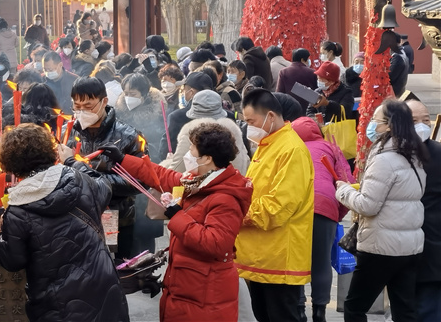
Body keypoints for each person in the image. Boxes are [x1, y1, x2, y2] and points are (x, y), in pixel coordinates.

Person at [110, 122, 252, 321]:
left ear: (207, 158)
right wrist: (122, 159)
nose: (188, 153)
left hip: (205, 293)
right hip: (189, 286)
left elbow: (215, 244)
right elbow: (161, 175)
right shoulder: (197, 181)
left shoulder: (225, 198)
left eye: (192, 148)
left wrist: (177, 216)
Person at [0, 123, 129, 322]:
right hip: (103, 289)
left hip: (57, 305)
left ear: (10, 163)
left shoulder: (17, 209)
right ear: (49, 151)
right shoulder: (80, 180)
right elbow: (104, 186)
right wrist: (72, 161)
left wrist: (1, 235)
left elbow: (13, 261)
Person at [336, 99, 426, 322]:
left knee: (354, 307)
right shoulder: (415, 155)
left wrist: (344, 191)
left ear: (389, 125)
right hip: (409, 247)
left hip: (381, 248)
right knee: (405, 310)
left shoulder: (384, 159)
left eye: (375, 121)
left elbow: (368, 205)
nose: (371, 125)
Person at [238, 89, 315, 322]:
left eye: (251, 121)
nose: (248, 128)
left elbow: (278, 206)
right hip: (261, 254)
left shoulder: (291, 149)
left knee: (282, 316)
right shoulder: (268, 144)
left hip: (279, 257)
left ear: (270, 116)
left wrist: (236, 213)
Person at [64, 77, 145, 259]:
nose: (82, 111)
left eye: (89, 106)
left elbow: (140, 182)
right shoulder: (66, 132)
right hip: (74, 218)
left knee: (117, 269)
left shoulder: (128, 135)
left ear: (104, 101)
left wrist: (93, 179)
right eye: (77, 106)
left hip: (117, 217)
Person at [291, 116, 353, 322]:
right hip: (325, 205)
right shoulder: (331, 147)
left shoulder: (289, 148)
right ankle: (320, 312)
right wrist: (336, 214)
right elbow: (346, 181)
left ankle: (299, 309)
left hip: (296, 207)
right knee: (321, 261)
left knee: (296, 260)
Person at [407, 99, 441, 321]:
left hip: (431, 243)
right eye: (414, 121)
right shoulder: (394, 153)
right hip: (405, 247)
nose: (421, 126)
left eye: (426, 120)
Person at [161, 91, 250, 174]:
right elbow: (245, 162)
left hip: (206, 185)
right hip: (235, 181)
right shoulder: (232, 132)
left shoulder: (192, 133)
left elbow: (176, 170)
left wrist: (169, 162)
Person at [162, 72, 233, 161]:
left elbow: (165, 149)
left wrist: (169, 161)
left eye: (184, 89)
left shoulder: (177, 117)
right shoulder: (229, 116)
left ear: (191, 92)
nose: (183, 93)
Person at [115, 74, 166, 163]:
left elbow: (160, 142)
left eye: (133, 94)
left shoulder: (158, 113)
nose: (128, 97)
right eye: (126, 94)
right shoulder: (119, 112)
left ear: (144, 94)